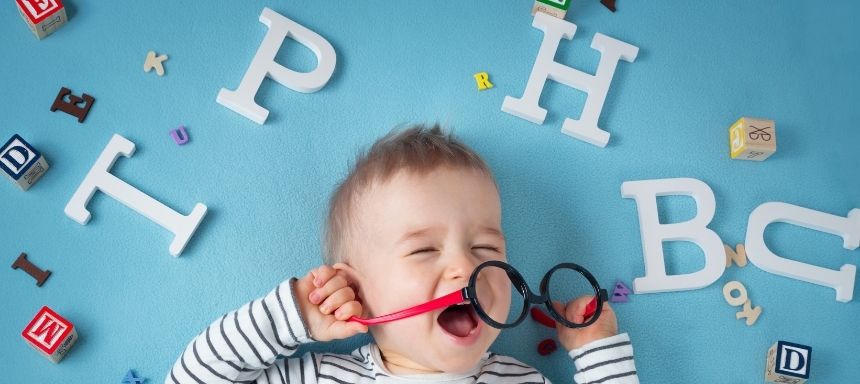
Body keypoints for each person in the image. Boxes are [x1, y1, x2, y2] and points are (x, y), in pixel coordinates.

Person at [167, 124, 638, 383]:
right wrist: (295, 316)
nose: (465, 267)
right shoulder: (317, 377)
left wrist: (598, 353)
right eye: (423, 249)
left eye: (485, 247)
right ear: (353, 287)